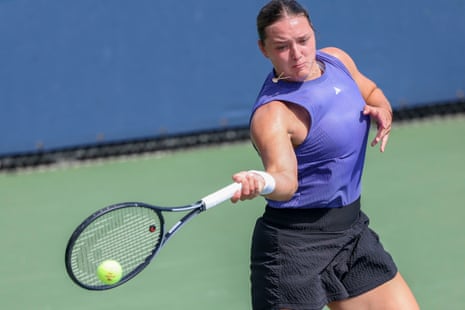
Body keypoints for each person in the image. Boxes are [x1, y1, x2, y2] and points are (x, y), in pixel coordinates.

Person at [230, 1, 419, 309]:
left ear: (313, 34)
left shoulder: (336, 61)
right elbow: (286, 181)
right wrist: (262, 181)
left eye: (303, 40)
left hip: (351, 232)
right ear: (264, 50)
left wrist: (382, 109)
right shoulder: (273, 114)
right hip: (293, 249)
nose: (297, 54)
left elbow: (369, 90)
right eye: (281, 47)